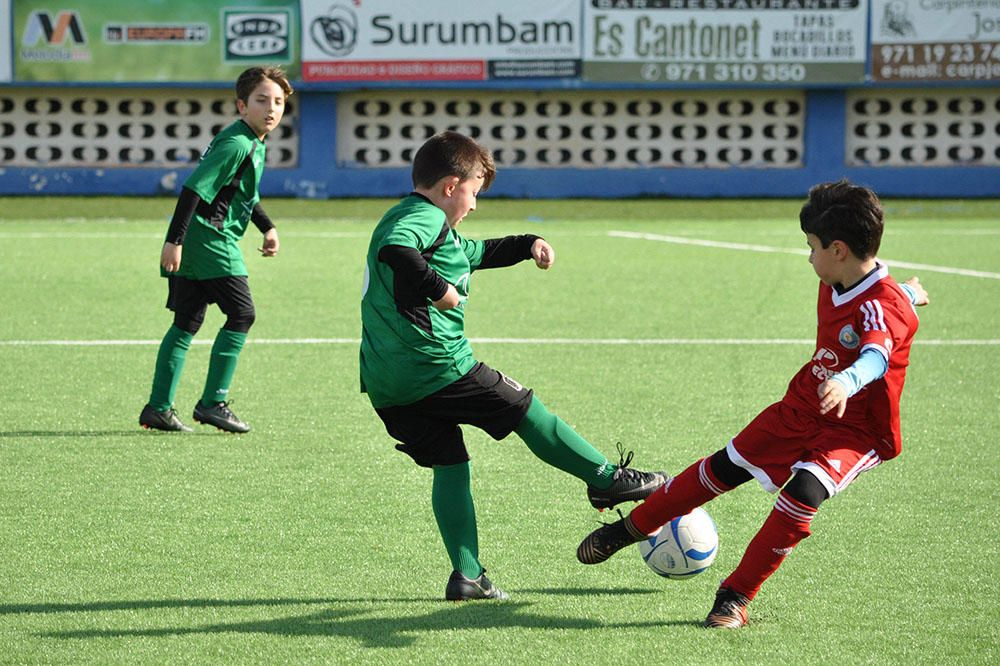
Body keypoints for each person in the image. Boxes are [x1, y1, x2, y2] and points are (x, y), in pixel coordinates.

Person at [576, 179, 930, 628]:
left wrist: (847, 379)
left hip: (856, 430)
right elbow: (895, 300)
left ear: (838, 249)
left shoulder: (882, 307)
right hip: (802, 407)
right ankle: (627, 530)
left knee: (802, 494)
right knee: (723, 468)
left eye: (813, 246)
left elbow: (877, 353)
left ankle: (735, 596)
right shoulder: (853, 279)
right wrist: (912, 293)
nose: (809, 256)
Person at [360, 130, 666, 601]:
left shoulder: (435, 228)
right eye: (474, 192)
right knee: (524, 408)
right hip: (434, 366)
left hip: (388, 383)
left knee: (450, 463)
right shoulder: (417, 217)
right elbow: (396, 252)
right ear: (449, 186)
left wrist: (528, 243)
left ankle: (468, 576)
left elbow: (475, 253)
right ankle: (607, 480)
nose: (475, 204)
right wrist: (439, 290)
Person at [139, 66, 292, 433]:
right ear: (242, 106)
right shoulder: (238, 143)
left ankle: (158, 408)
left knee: (187, 322)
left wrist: (267, 226)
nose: (271, 109)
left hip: (202, 239)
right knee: (242, 313)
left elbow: (240, 194)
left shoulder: (252, 141)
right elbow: (193, 189)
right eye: (261, 101)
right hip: (210, 240)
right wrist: (173, 241)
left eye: (278, 102)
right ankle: (213, 403)